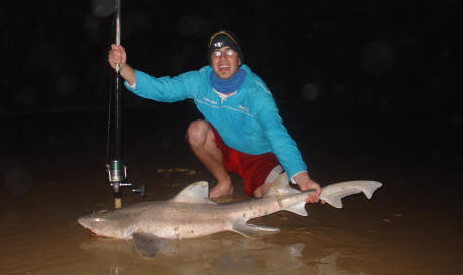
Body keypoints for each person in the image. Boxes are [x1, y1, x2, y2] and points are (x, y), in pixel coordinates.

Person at [107, 29, 322, 203]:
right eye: (217, 54)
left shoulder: (257, 92)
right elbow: (162, 89)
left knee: (269, 201)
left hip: (258, 154)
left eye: (230, 52)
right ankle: (224, 183)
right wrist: (124, 67)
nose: (223, 59)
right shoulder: (200, 80)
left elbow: (277, 134)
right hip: (225, 146)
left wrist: (302, 178)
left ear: (239, 59)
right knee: (196, 131)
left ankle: (295, 190)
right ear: (211, 60)